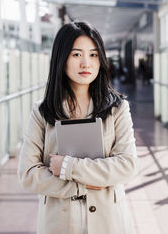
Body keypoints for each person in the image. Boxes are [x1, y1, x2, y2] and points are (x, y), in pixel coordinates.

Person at [17, 21, 138, 234]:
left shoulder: (117, 109)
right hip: (59, 224)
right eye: (76, 55)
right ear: (61, 59)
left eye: (93, 55)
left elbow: (127, 165)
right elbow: (28, 174)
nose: (86, 64)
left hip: (108, 222)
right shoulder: (42, 112)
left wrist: (70, 167)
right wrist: (81, 186)